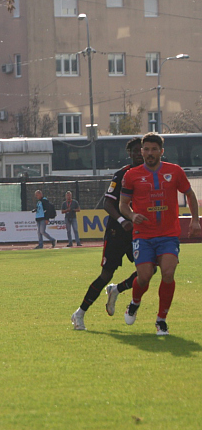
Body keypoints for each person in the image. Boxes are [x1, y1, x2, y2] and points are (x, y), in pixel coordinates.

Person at [118, 132, 200, 335]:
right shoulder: (131, 175)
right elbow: (123, 204)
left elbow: (189, 194)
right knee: (144, 276)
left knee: (168, 274)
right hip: (143, 235)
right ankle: (134, 302)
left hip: (168, 234)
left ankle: (161, 320)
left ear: (161, 151)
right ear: (142, 151)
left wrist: (195, 220)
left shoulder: (175, 171)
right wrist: (132, 215)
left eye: (154, 149)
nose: (150, 153)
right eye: (146, 149)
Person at [71, 137, 145, 331]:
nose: (140, 153)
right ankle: (79, 313)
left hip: (140, 232)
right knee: (106, 274)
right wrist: (122, 221)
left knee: (149, 270)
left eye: (143, 150)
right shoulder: (122, 174)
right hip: (117, 232)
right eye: (136, 150)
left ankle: (117, 289)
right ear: (129, 153)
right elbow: (108, 203)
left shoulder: (152, 174)